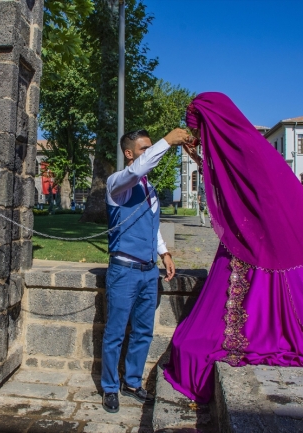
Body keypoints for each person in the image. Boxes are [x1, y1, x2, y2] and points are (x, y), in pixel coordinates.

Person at [164, 92, 303, 403]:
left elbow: (243, 190)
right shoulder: (241, 144)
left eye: (201, 133)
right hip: (259, 231)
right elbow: (230, 184)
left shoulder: (244, 146)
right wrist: (199, 158)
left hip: (272, 233)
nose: (201, 138)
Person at [102, 128, 193, 413]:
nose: (149, 153)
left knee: (143, 331)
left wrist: (164, 253)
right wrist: (168, 141)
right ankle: (109, 387)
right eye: (144, 149)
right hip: (124, 271)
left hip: (147, 272)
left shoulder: (149, 189)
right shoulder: (117, 182)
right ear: (129, 153)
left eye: (150, 147)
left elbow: (151, 228)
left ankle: (132, 382)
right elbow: (139, 169)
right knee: (115, 333)